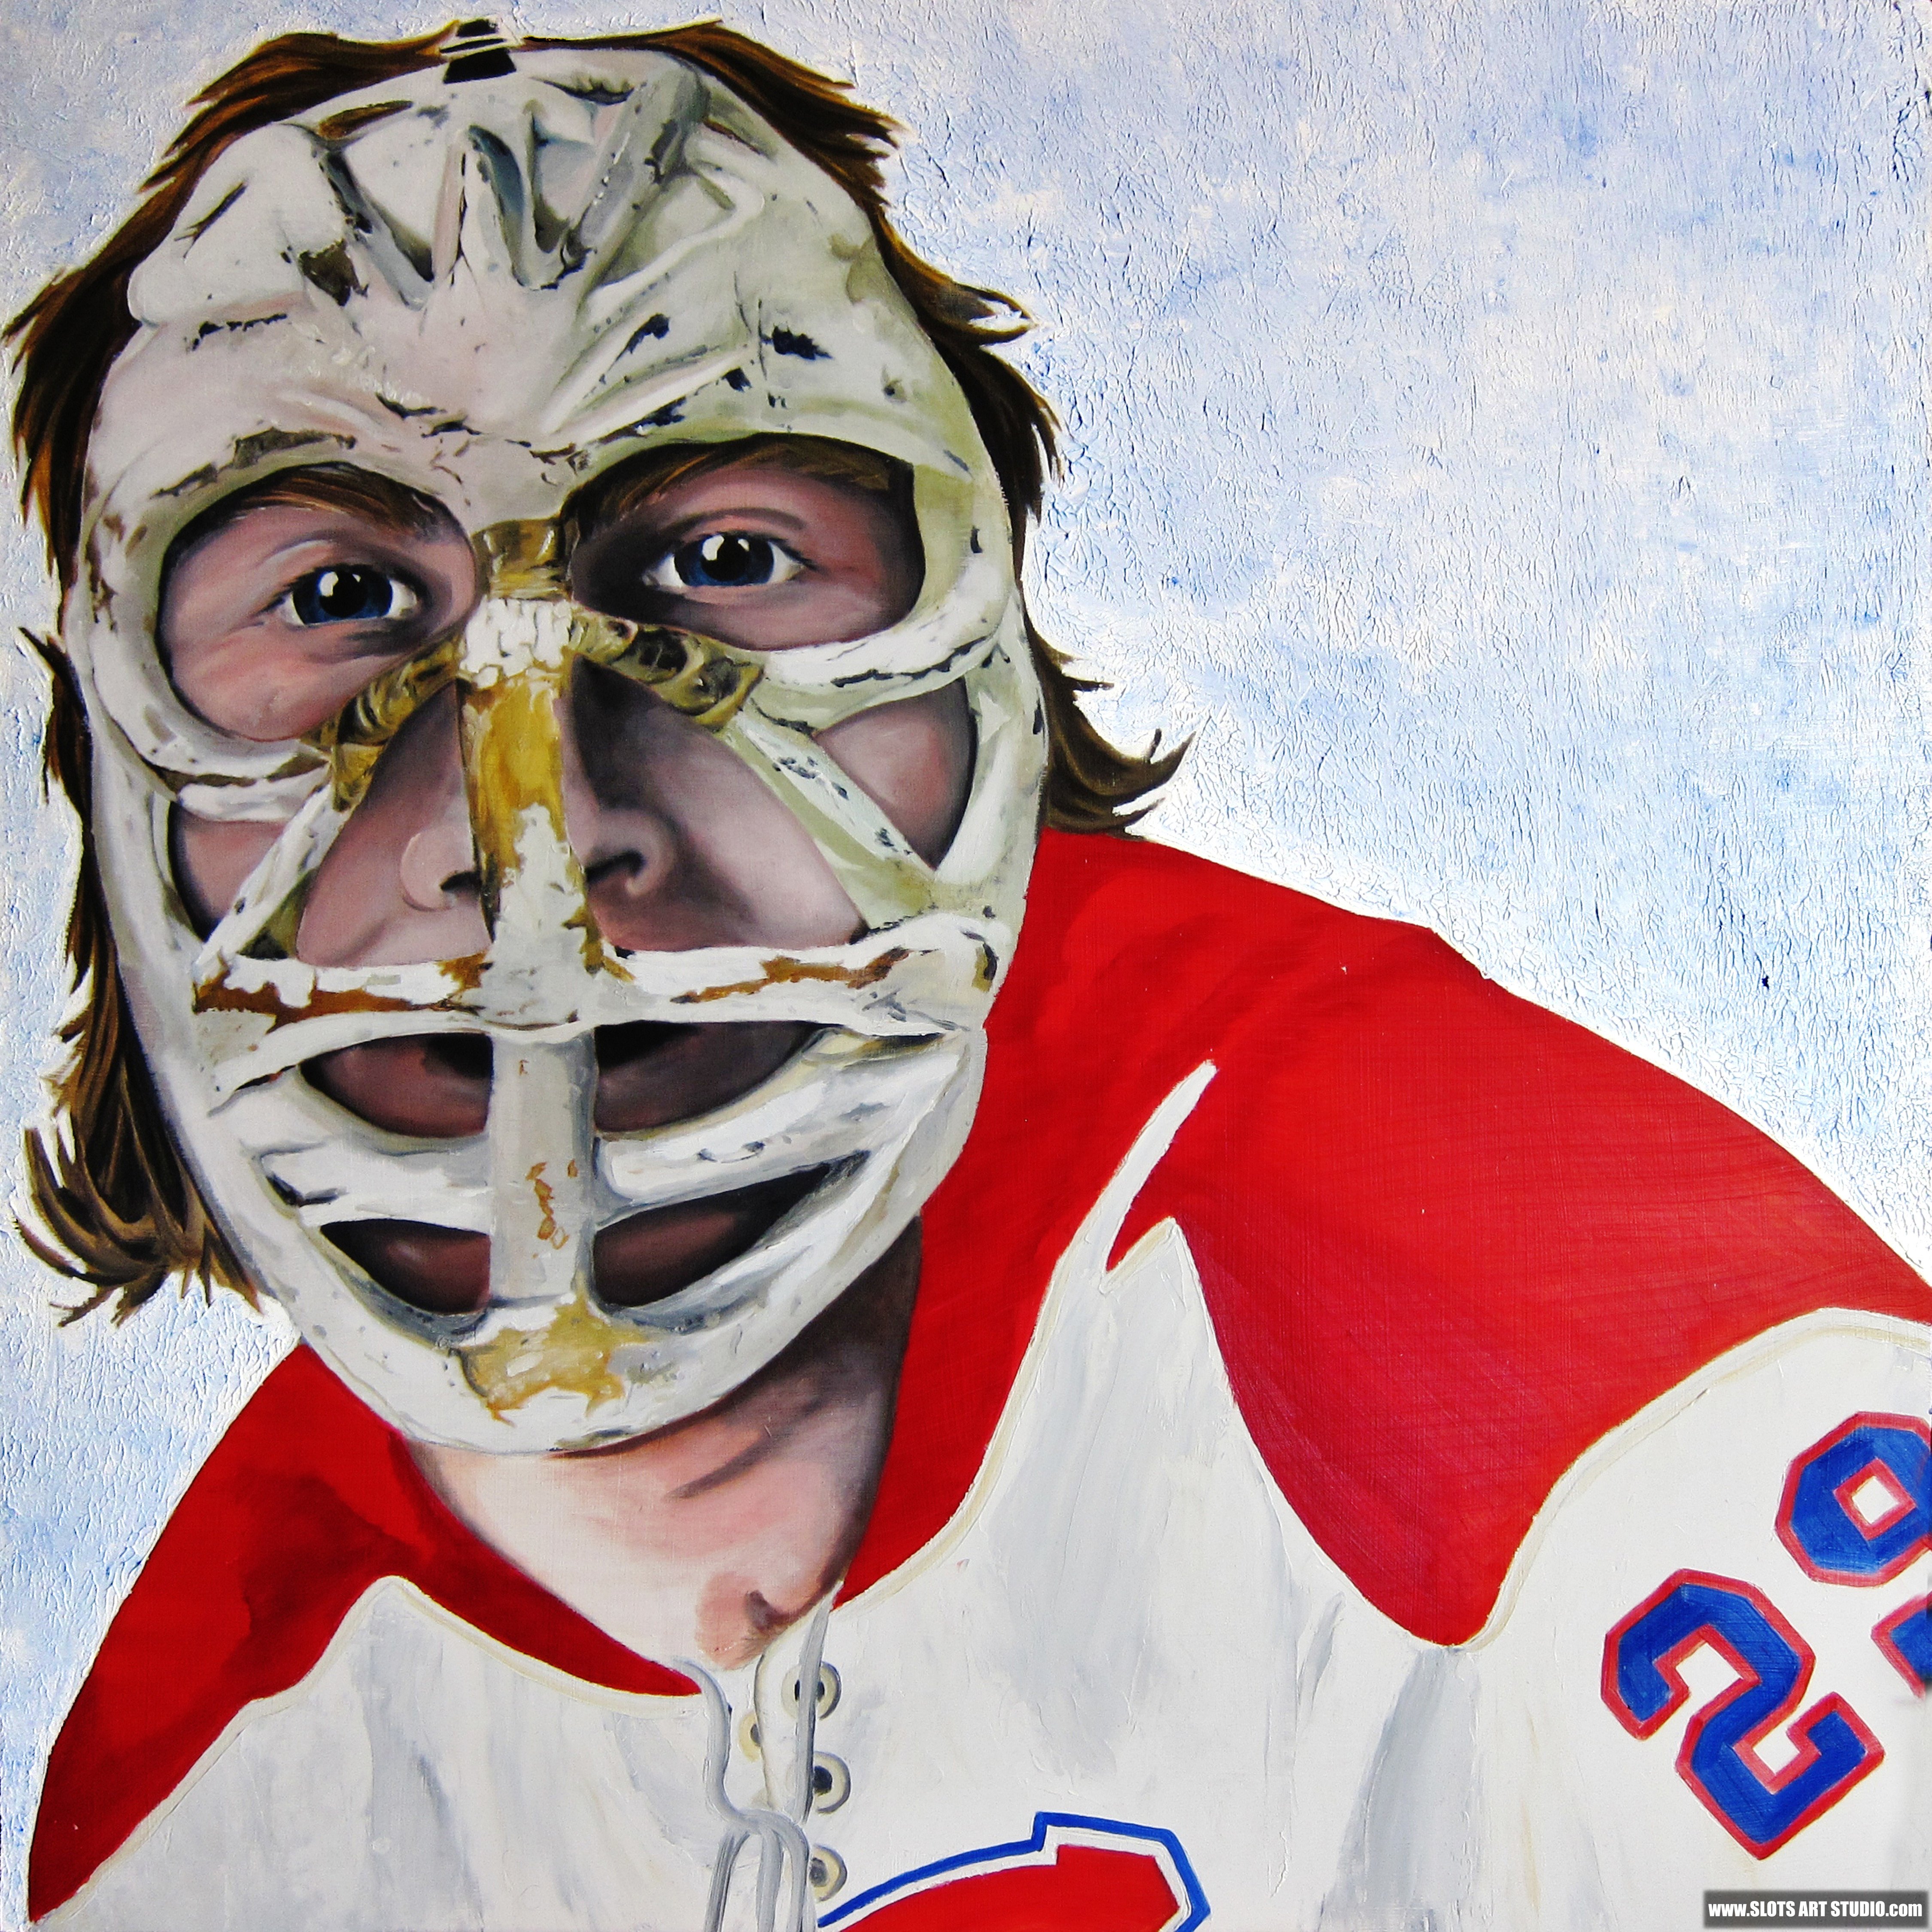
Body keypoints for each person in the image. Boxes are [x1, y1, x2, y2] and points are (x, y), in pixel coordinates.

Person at [9, 20, 1926, 1931]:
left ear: (983, 684)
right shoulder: (215, 1789)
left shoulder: (1568, 1359)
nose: (539, 826)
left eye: (728, 559)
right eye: (336, 601)